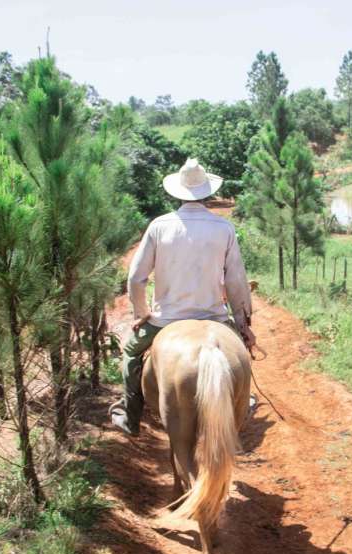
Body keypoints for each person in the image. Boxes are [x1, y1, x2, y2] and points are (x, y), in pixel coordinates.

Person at [109, 158, 256, 436]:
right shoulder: (224, 228)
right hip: (214, 317)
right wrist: (243, 324)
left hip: (166, 320)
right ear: (208, 192)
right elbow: (236, 282)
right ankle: (243, 401)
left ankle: (131, 414)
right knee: (240, 352)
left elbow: (136, 279)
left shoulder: (159, 226)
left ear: (176, 191)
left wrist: (141, 314)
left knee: (131, 353)